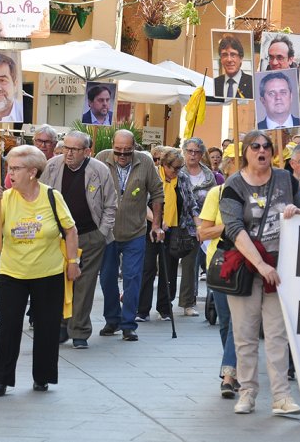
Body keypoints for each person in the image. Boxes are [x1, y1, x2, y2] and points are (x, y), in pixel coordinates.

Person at [218, 130, 300, 415]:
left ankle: (281, 397)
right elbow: (234, 229)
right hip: (248, 267)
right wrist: (261, 265)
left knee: (277, 335)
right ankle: (246, 392)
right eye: (255, 146)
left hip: (281, 268)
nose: (261, 151)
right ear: (246, 152)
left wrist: (298, 211)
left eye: (266, 147)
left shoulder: (285, 179)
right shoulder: (234, 184)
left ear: (272, 152)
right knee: (245, 334)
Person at [0, 145, 80, 396]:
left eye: (15, 168)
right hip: (13, 273)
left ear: (32, 172)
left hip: (48, 273)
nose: (10, 173)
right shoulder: (6, 198)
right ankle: (1, 379)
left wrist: (72, 263)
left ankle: (43, 376)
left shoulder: (51, 196)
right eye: (9, 168)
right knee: (8, 326)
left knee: (47, 327)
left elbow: (70, 230)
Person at [40, 131, 117, 350]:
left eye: (74, 149)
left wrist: (102, 232)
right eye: (66, 147)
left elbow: (111, 204)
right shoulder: (53, 166)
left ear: (87, 151)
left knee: (84, 284)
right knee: (60, 281)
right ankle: (62, 324)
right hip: (59, 236)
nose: (69, 153)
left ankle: (80, 331)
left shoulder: (99, 170)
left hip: (90, 235)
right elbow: (42, 197)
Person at [95, 130, 165, 341]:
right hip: (107, 232)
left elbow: (157, 193)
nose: (122, 155)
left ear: (134, 147)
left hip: (135, 231)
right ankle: (112, 319)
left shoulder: (144, 161)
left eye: (127, 151)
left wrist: (157, 225)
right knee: (107, 278)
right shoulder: (101, 159)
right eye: (118, 151)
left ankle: (128, 324)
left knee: (132, 278)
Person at [198, 143, 240, 398]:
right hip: (221, 262)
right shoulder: (218, 193)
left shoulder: (260, 194)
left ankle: (228, 374)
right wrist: (231, 227)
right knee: (225, 321)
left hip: (250, 265)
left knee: (239, 322)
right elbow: (204, 231)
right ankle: (234, 367)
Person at [139, 146, 199, 322]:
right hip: (151, 228)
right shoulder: (152, 175)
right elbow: (142, 204)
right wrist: (156, 221)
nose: (177, 171)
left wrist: (198, 226)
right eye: (174, 168)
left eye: (180, 168)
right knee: (148, 267)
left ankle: (165, 308)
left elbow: (191, 203)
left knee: (169, 270)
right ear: (164, 164)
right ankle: (142, 310)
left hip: (174, 230)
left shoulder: (182, 178)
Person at [179, 138, 216, 316]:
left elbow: (215, 199)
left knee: (194, 265)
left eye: (197, 152)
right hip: (181, 224)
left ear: (202, 154)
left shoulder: (209, 176)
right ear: (184, 152)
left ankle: (189, 303)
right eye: (190, 151)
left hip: (204, 224)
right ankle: (169, 300)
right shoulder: (178, 172)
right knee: (181, 266)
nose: (193, 155)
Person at [214, 35, 253, 99]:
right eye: (225, 55)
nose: (229, 60)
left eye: (233, 55)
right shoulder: (215, 83)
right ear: (221, 59)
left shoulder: (253, 84)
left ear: (241, 58)